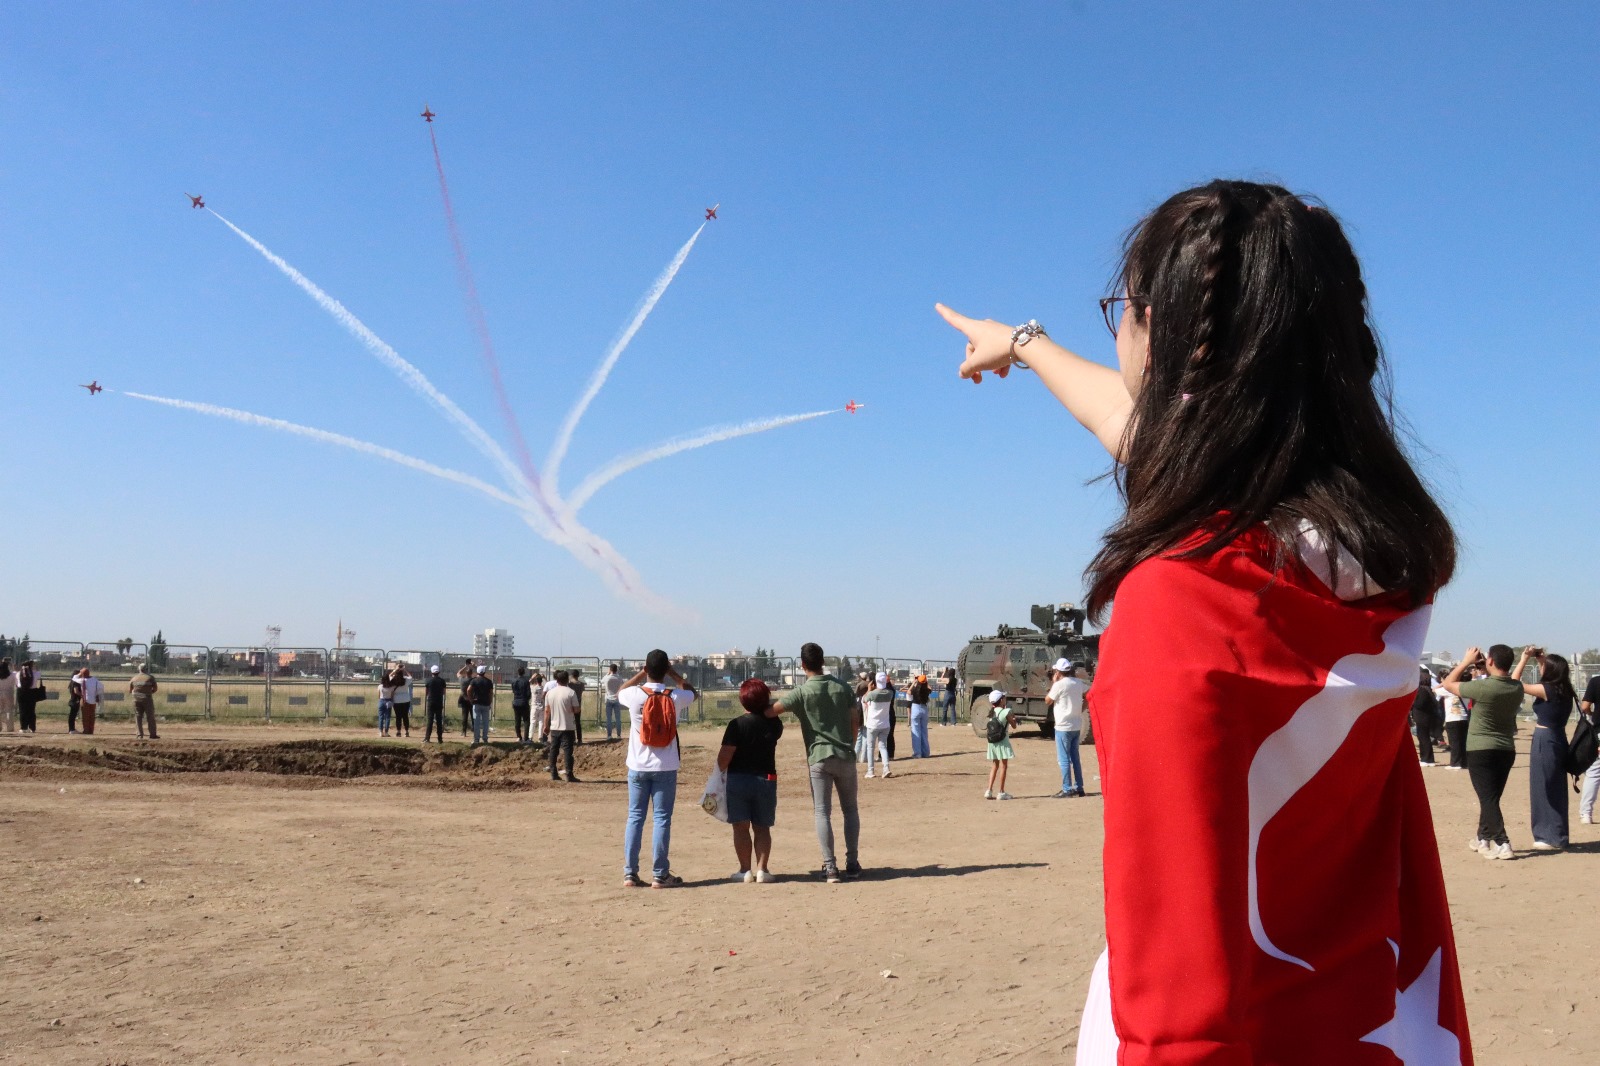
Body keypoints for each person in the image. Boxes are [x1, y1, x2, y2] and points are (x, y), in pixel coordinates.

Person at [939, 179, 1471, 1059]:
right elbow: (1153, 431)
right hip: (1375, 1023)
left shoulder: (1185, 605)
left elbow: (1181, 1014)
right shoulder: (1363, 564)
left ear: (1166, 336)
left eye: (1127, 310)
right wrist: (1026, 345)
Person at [771, 642, 861, 883]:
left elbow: (771, 711)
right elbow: (856, 722)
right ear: (823, 662)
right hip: (845, 755)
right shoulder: (843, 688)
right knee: (850, 810)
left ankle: (830, 867)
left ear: (802, 665)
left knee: (822, 812)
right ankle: (852, 862)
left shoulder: (802, 692)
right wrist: (849, 745)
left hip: (819, 757)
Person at [617, 650, 697, 888]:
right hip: (666, 766)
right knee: (662, 819)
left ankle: (630, 873)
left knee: (635, 817)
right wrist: (673, 674)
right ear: (666, 670)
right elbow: (693, 692)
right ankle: (660, 874)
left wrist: (641, 674)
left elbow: (619, 691)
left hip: (637, 765)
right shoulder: (676, 697)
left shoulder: (633, 695)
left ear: (646, 669)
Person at [1443, 645, 1523, 860]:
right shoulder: (1516, 688)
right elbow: (1506, 680)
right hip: (1505, 749)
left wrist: (1466, 661)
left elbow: (1447, 683)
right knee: (1490, 798)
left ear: (1490, 662)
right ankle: (1482, 838)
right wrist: (1484, 666)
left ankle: (1503, 842)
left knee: (1488, 798)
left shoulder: (1482, 688)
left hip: (1480, 748)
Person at [718, 678, 783, 883]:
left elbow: (723, 759)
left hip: (738, 779)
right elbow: (772, 712)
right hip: (766, 778)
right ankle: (763, 869)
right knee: (762, 827)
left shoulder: (736, 725)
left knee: (740, 827)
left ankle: (745, 870)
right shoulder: (775, 725)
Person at [1513, 646, 1575, 850]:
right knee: (1555, 786)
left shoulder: (1546, 689)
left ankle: (1547, 835)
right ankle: (1558, 834)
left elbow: (1514, 683)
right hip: (1558, 737)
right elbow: (1546, 675)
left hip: (1545, 737)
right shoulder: (1564, 688)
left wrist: (1523, 659)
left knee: (1542, 786)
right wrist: (1541, 659)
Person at [1047, 659, 1089, 797]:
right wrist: (1080, 709)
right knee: (1075, 758)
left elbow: (1048, 700)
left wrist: (1054, 682)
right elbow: (1089, 695)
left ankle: (1066, 789)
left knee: (1064, 759)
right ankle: (1079, 787)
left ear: (1058, 671)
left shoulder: (1059, 685)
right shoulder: (1078, 683)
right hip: (1076, 725)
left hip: (1063, 726)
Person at [544, 671, 580, 781]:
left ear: (557, 680)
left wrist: (546, 725)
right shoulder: (571, 692)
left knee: (553, 750)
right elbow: (577, 709)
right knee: (568, 751)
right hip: (567, 726)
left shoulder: (550, 693)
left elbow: (547, 711)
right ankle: (569, 774)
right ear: (567, 680)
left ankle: (554, 773)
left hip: (554, 726)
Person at [983, 690, 1015, 801]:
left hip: (992, 742)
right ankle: (1001, 792)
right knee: (1004, 766)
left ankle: (989, 790)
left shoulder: (991, 713)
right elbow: (1014, 725)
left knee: (994, 765)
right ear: (1001, 700)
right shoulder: (1006, 712)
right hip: (1003, 741)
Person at [860, 673, 893, 779]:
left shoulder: (872, 694)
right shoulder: (890, 693)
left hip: (872, 724)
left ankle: (870, 771)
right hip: (885, 724)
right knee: (883, 746)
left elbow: (864, 699)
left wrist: (869, 689)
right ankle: (886, 769)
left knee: (870, 747)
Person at [1436, 669, 1470, 771]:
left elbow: (1435, 689)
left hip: (1452, 718)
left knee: (1454, 742)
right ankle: (1464, 762)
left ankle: (1455, 763)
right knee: (1463, 742)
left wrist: (1445, 682)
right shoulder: (1467, 688)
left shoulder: (1449, 689)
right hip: (1464, 717)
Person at [1410, 666, 1440, 766]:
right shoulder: (1428, 690)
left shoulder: (1422, 690)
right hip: (1425, 717)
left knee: (1423, 738)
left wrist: (1412, 703)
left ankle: (1426, 758)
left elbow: (1420, 704)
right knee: (1424, 737)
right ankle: (1427, 758)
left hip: (1422, 717)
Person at [1580, 674, 1600, 825]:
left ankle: (1586, 813)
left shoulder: (1596, 681)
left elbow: (1585, 706)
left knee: (1593, 773)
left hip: (1599, 731)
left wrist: (1592, 715)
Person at [464, 664, 493, 746]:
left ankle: (476, 739)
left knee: (476, 722)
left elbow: (468, 690)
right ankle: (485, 738)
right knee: (485, 722)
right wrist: (490, 702)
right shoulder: (489, 681)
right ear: (484, 672)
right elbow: (491, 693)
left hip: (476, 703)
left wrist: (471, 699)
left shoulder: (474, 681)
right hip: (486, 703)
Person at [129, 663, 159, 739]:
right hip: (147, 699)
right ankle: (152, 735)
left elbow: (130, 690)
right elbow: (155, 689)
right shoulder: (150, 678)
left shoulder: (134, 678)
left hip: (136, 699)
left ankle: (139, 735)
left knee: (138, 716)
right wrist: (149, 692)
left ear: (139, 669)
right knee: (150, 717)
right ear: (146, 669)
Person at [906, 673, 932, 758]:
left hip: (916, 708)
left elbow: (908, 691)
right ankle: (926, 752)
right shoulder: (926, 690)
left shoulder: (915, 689)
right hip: (924, 709)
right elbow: (930, 688)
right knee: (924, 731)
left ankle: (917, 753)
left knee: (916, 731)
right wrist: (926, 681)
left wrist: (914, 681)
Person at [423, 665, 448, 743]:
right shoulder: (442, 681)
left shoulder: (428, 681)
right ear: (438, 672)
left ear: (431, 672)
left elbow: (426, 692)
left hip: (431, 702)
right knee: (439, 720)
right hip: (439, 702)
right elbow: (444, 692)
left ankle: (427, 738)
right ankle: (440, 739)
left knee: (430, 720)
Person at [510, 666, 534, 744]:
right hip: (524, 702)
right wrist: (527, 699)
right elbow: (528, 693)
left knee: (517, 720)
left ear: (518, 672)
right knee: (526, 721)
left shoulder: (514, 681)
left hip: (516, 701)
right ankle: (526, 738)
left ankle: (519, 736)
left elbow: (513, 690)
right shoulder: (526, 681)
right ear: (524, 672)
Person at [17, 660, 42, 734]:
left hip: (21, 692)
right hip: (32, 692)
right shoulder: (36, 673)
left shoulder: (18, 674)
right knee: (31, 710)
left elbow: (16, 683)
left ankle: (23, 728)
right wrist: (35, 668)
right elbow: (39, 674)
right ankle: (32, 728)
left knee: (22, 710)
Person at [78, 667, 103, 736]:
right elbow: (100, 687)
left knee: (85, 716)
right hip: (93, 701)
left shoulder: (82, 680)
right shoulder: (94, 680)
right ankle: (91, 730)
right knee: (92, 716)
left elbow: (74, 678)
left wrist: (79, 675)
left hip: (85, 700)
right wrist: (97, 694)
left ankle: (86, 730)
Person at [602, 663, 624, 741]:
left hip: (608, 698)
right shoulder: (619, 678)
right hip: (616, 699)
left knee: (609, 718)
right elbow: (622, 684)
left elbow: (601, 681)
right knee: (618, 718)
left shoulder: (607, 678)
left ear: (610, 669)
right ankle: (618, 735)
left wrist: (607, 674)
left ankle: (609, 735)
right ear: (616, 669)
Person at [377, 665, 398, 737]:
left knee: (381, 717)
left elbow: (379, 695)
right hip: (388, 701)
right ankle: (386, 732)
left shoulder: (380, 686)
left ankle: (380, 732)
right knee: (387, 717)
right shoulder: (392, 687)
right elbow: (392, 696)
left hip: (381, 700)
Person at [392, 665, 413, 738]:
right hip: (405, 699)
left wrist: (395, 670)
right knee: (405, 716)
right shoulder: (406, 679)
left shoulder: (393, 680)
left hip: (396, 700)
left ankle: (398, 731)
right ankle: (406, 731)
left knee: (398, 717)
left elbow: (389, 676)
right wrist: (404, 670)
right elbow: (411, 677)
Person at [456, 660, 475, 736]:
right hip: (472, 699)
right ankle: (475, 731)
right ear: (471, 673)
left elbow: (458, 673)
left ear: (465, 673)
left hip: (463, 699)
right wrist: (474, 666)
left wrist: (466, 666)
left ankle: (463, 732)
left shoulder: (462, 680)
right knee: (474, 716)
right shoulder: (473, 680)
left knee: (464, 716)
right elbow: (481, 675)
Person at [569, 670, 587, 745]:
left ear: (572, 675)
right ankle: (579, 739)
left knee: (570, 722)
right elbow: (582, 691)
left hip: (570, 705)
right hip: (578, 704)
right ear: (578, 676)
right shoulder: (581, 684)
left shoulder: (570, 684)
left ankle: (572, 739)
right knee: (577, 722)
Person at [0, 658, 15, 733]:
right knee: (9, 711)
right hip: (8, 692)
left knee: (0, 710)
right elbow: (13, 684)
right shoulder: (11, 675)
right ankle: (9, 727)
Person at [67, 668, 84, 734]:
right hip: (75, 700)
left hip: (73, 699)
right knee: (72, 715)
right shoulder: (76, 682)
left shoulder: (72, 682)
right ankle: (72, 729)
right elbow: (76, 691)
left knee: (72, 715)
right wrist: (82, 695)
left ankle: (71, 729)